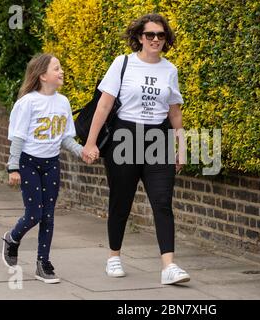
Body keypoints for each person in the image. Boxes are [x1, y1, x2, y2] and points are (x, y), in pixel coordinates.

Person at [82, 13, 190, 285]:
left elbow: (174, 113)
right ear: (140, 37)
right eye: (150, 35)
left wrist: (182, 147)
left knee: (162, 202)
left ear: (166, 39)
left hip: (158, 138)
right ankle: (114, 256)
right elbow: (104, 105)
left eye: (161, 35)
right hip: (124, 136)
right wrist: (91, 142)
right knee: (121, 200)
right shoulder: (123, 63)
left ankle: (169, 265)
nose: (155, 39)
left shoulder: (170, 70)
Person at [2, 53, 86, 284]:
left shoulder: (63, 102)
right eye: (56, 68)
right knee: (34, 214)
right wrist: (13, 167)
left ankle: (43, 263)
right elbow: (18, 137)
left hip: (51, 164)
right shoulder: (28, 102)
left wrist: (82, 152)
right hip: (28, 163)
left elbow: (66, 138)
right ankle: (12, 238)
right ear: (42, 76)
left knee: (48, 216)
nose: (61, 72)